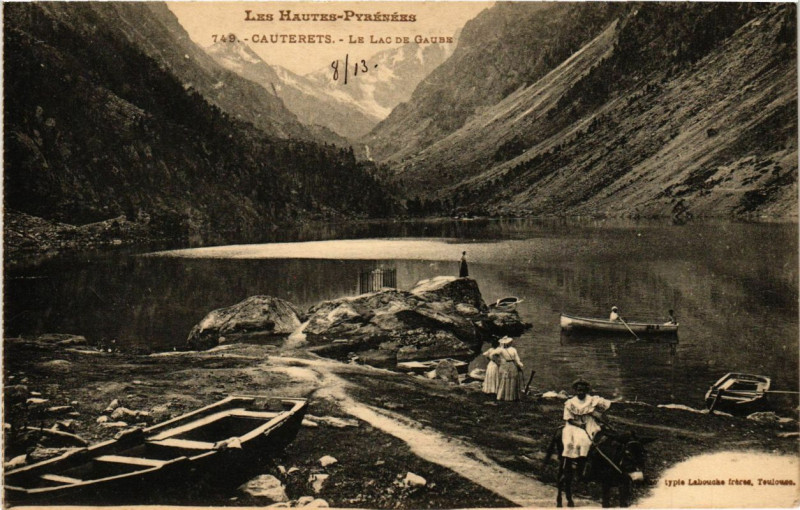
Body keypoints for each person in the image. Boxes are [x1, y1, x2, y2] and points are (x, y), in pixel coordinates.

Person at [561, 379, 611, 479]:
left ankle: (596, 465)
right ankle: (577, 462)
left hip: (590, 422)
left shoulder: (592, 400)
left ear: (587, 390)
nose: (581, 392)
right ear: (575, 390)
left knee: (599, 437)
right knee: (580, 440)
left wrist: (597, 414)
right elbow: (569, 419)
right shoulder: (570, 403)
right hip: (575, 425)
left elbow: (605, 407)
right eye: (579, 390)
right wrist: (579, 424)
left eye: (583, 390)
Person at [495, 337, 524, 401]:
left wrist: (497, 361)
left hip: (505, 365)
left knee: (504, 379)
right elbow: (517, 359)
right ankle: (512, 397)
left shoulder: (500, 350)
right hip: (512, 365)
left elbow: (492, 354)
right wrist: (520, 365)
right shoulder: (513, 349)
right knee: (512, 379)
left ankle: (502, 396)